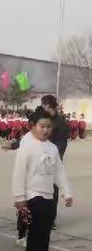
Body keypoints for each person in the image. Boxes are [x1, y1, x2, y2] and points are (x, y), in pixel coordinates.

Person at [13, 108, 73, 251]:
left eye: (49, 126)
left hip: (48, 195)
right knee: (40, 232)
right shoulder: (27, 147)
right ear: (33, 127)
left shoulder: (52, 148)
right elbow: (19, 174)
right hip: (33, 194)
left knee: (40, 231)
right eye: (42, 126)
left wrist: (66, 192)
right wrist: (19, 197)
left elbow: (58, 172)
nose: (46, 130)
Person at [41, 95, 69, 226]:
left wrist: (52, 157)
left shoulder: (60, 122)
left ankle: (50, 220)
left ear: (48, 106)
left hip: (53, 162)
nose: (42, 107)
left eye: (43, 105)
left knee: (53, 192)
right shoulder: (44, 120)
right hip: (40, 160)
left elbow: (62, 144)